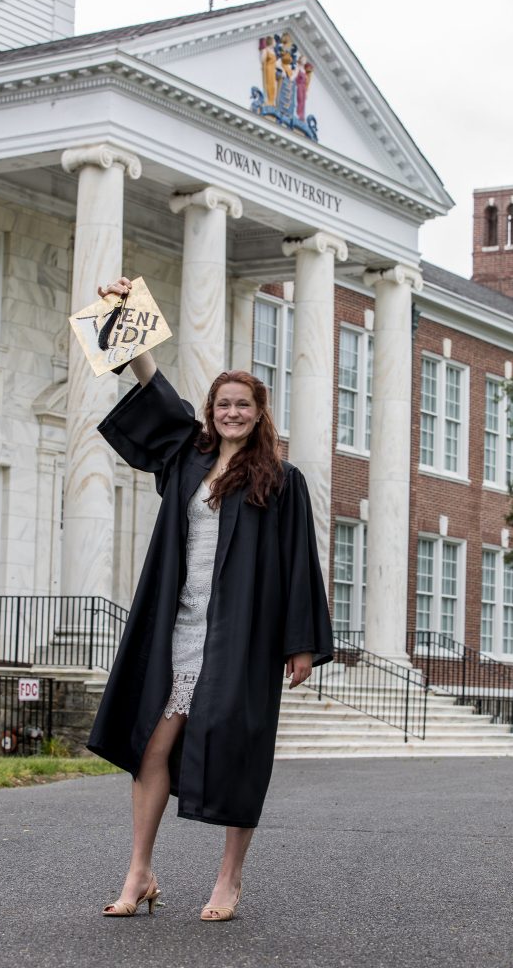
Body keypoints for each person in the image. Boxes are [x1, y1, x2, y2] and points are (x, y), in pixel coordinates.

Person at [88, 276, 333, 921]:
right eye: (222, 404)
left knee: (236, 747)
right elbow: (152, 386)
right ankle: (139, 872)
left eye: (242, 406)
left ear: (259, 413)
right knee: (152, 746)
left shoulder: (282, 482)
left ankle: (229, 879)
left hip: (242, 634)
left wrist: (301, 645)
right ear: (211, 410)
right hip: (179, 626)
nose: (231, 414)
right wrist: (125, 312)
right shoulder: (187, 459)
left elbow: (298, 564)